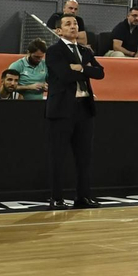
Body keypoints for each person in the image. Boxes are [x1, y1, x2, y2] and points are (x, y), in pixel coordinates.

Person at [45, 13, 104, 210]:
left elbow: (100, 73)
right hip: (62, 108)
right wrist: (85, 70)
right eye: (68, 24)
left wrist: (80, 68)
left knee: (84, 156)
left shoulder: (85, 50)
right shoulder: (54, 51)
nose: (73, 26)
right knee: (58, 155)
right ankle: (56, 197)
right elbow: (64, 75)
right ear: (58, 30)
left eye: (76, 23)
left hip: (84, 108)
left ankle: (83, 196)